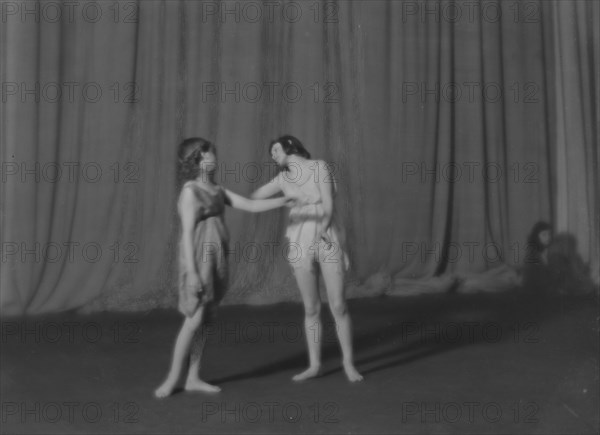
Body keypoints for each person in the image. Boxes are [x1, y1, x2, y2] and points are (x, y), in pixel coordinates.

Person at [155, 137, 291, 398]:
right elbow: (185, 235)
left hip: (216, 258)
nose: (213, 155)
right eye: (208, 152)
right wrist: (193, 273)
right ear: (198, 159)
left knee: (205, 319)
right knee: (193, 319)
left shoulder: (216, 189)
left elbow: (250, 205)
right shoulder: (190, 191)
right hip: (197, 259)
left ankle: (193, 377)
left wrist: (285, 200)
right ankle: (173, 379)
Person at [251, 135, 363, 382]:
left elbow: (328, 201)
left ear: (290, 147)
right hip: (299, 239)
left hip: (326, 235)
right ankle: (314, 365)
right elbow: (256, 195)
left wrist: (323, 227)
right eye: (271, 153)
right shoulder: (283, 178)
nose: (273, 155)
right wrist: (283, 198)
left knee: (338, 305)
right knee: (311, 307)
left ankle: (348, 363)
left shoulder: (319, 166)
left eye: (276, 149)